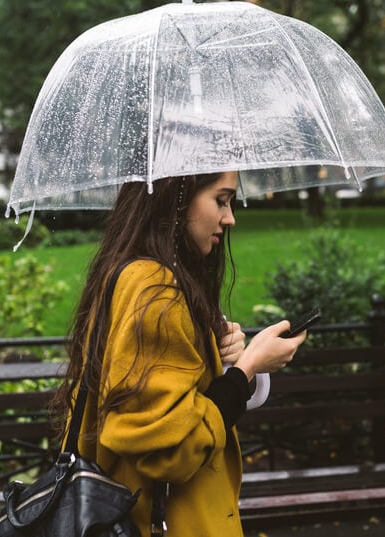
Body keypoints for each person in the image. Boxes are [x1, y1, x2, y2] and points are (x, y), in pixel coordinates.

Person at [52, 171, 307, 536]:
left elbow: (167, 399)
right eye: (221, 200)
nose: (230, 217)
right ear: (177, 197)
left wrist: (221, 357)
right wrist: (248, 368)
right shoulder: (154, 289)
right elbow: (170, 450)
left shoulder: (132, 271)